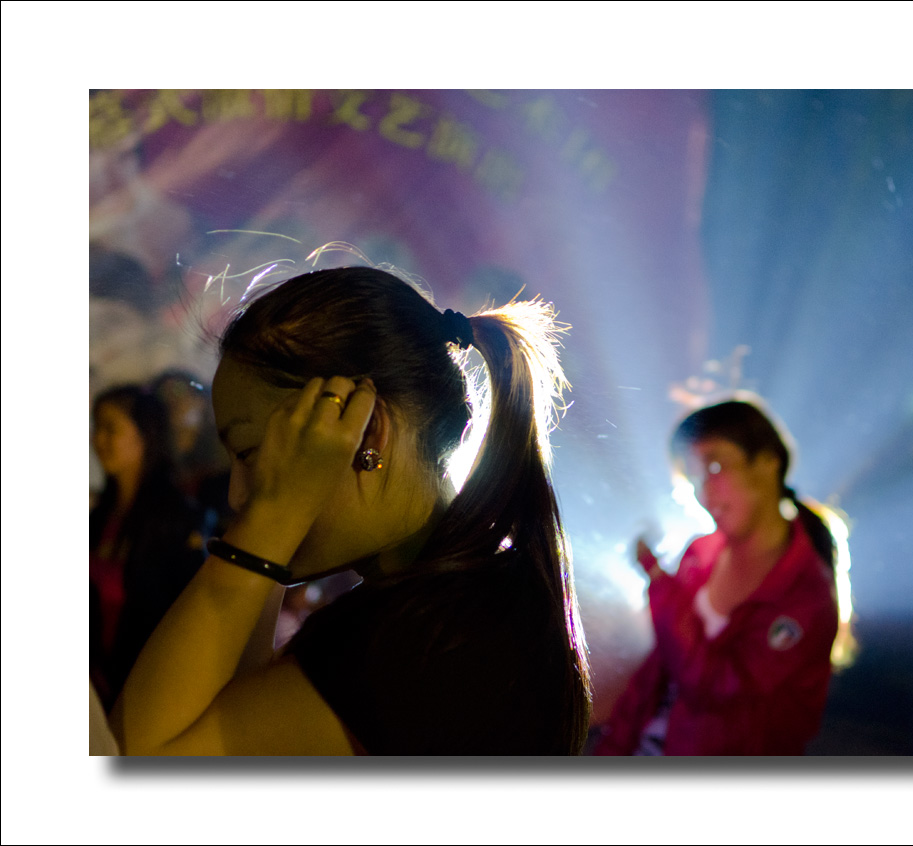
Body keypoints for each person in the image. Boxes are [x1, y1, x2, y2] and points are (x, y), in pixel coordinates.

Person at [111, 265, 591, 755]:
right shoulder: (476, 600)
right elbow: (223, 702)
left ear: (366, 431)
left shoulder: (430, 639)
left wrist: (271, 520)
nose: (237, 495)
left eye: (254, 454)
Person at [594, 397, 839, 755]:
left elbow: (714, 688)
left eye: (715, 466)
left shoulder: (805, 596)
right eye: (693, 476)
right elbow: (656, 673)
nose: (704, 492)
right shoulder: (700, 553)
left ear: (768, 462)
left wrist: (659, 580)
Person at [90, 385, 206, 709]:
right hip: (97, 683)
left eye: (111, 428)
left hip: (140, 686)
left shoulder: (176, 518)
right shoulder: (101, 514)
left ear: (145, 434)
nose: (99, 439)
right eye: (96, 427)